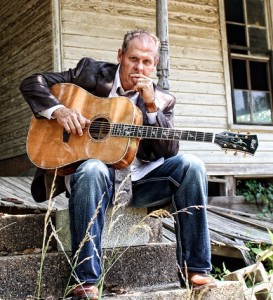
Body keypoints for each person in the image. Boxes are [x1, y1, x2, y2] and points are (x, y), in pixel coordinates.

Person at [20, 29, 215, 299]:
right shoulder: (90, 72)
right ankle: (86, 280)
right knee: (92, 168)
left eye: (147, 62)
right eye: (134, 59)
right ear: (120, 56)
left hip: (138, 182)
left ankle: (195, 269)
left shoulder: (163, 100)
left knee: (192, 165)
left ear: (155, 64)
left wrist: (150, 107)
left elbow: (168, 151)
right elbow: (33, 82)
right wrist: (60, 111)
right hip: (92, 178)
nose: (139, 67)